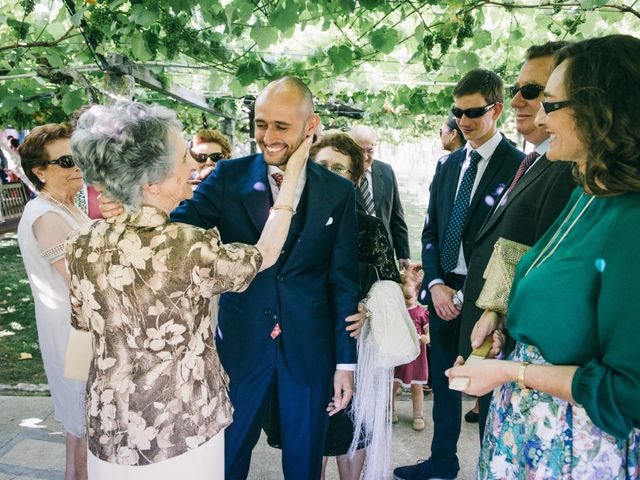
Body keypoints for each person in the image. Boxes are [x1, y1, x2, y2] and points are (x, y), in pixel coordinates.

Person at [100, 78, 361, 479]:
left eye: (280, 126)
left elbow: (343, 280)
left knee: (307, 459)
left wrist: (346, 363)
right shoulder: (227, 176)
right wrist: (132, 205)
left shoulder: (339, 192)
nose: (267, 137)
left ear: (311, 126)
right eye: (260, 124)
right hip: (240, 345)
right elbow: (174, 226)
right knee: (227, 455)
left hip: (311, 347)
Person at [67, 101, 309, 479]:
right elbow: (265, 254)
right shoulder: (188, 246)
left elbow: (84, 321)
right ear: (152, 182)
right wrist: (292, 179)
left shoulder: (79, 244)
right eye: (184, 158)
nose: (194, 167)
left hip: (109, 425)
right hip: (182, 429)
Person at [447, 34, 640, 479]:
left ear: (599, 111)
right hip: (532, 438)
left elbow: (628, 390)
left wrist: (510, 372)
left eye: (548, 102)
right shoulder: (590, 194)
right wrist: (500, 321)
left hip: (576, 453)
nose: (535, 112)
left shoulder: (630, 219)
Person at [394, 69, 523, 480]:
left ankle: (489, 469)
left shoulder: (520, 166)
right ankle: (441, 462)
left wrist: (465, 295)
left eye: (473, 112)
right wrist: (434, 284)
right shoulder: (448, 164)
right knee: (446, 386)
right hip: (442, 290)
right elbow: (431, 230)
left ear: (497, 109)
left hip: (487, 301)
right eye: (457, 112)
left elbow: (515, 242)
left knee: (487, 393)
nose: (463, 121)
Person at [264, 132, 401, 480]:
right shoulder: (288, 220)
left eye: (338, 169)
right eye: (321, 165)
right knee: (308, 433)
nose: (328, 173)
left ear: (355, 179)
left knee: (350, 430)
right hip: (300, 342)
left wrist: (369, 310)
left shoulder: (369, 227)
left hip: (352, 343)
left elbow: (391, 283)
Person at [459, 41, 576, 441]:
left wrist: (503, 326)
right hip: (497, 344)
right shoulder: (540, 159)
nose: (519, 101)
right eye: (516, 89)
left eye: (535, 90)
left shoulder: (567, 169)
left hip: (526, 360)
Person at [16, 123, 90, 480]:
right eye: (64, 161)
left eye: (77, 157)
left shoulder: (65, 207)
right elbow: (84, 283)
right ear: (39, 171)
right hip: (74, 335)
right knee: (88, 426)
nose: (76, 166)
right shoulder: (46, 216)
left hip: (80, 331)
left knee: (81, 430)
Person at [350, 125, 410, 268]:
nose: (365, 156)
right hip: (352, 254)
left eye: (370, 150)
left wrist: (403, 254)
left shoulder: (386, 170)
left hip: (384, 251)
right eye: (359, 151)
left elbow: (397, 215)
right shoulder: (342, 174)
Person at [392, 264, 429, 431]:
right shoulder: (396, 311)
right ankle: (390, 410)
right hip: (399, 355)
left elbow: (429, 334)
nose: (405, 303)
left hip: (416, 356)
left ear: (417, 293)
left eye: (408, 298)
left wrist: (425, 338)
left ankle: (418, 414)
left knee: (417, 386)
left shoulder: (421, 313)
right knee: (393, 385)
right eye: (402, 298)